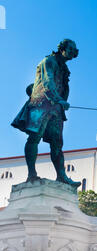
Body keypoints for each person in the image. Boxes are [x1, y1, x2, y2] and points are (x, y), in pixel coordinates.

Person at [12, 39, 81, 187]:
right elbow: (47, 81)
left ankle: (61, 176)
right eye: (71, 50)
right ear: (62, 48)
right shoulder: (48, 61)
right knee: (34, 138)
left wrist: (61, 103)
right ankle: (31, 174)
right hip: (41, 104)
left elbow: (62, 87)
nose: (72, 53)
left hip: (56, 108)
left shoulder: (64, 69)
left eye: (74, 51)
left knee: (57, 144)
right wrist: (58, 99)